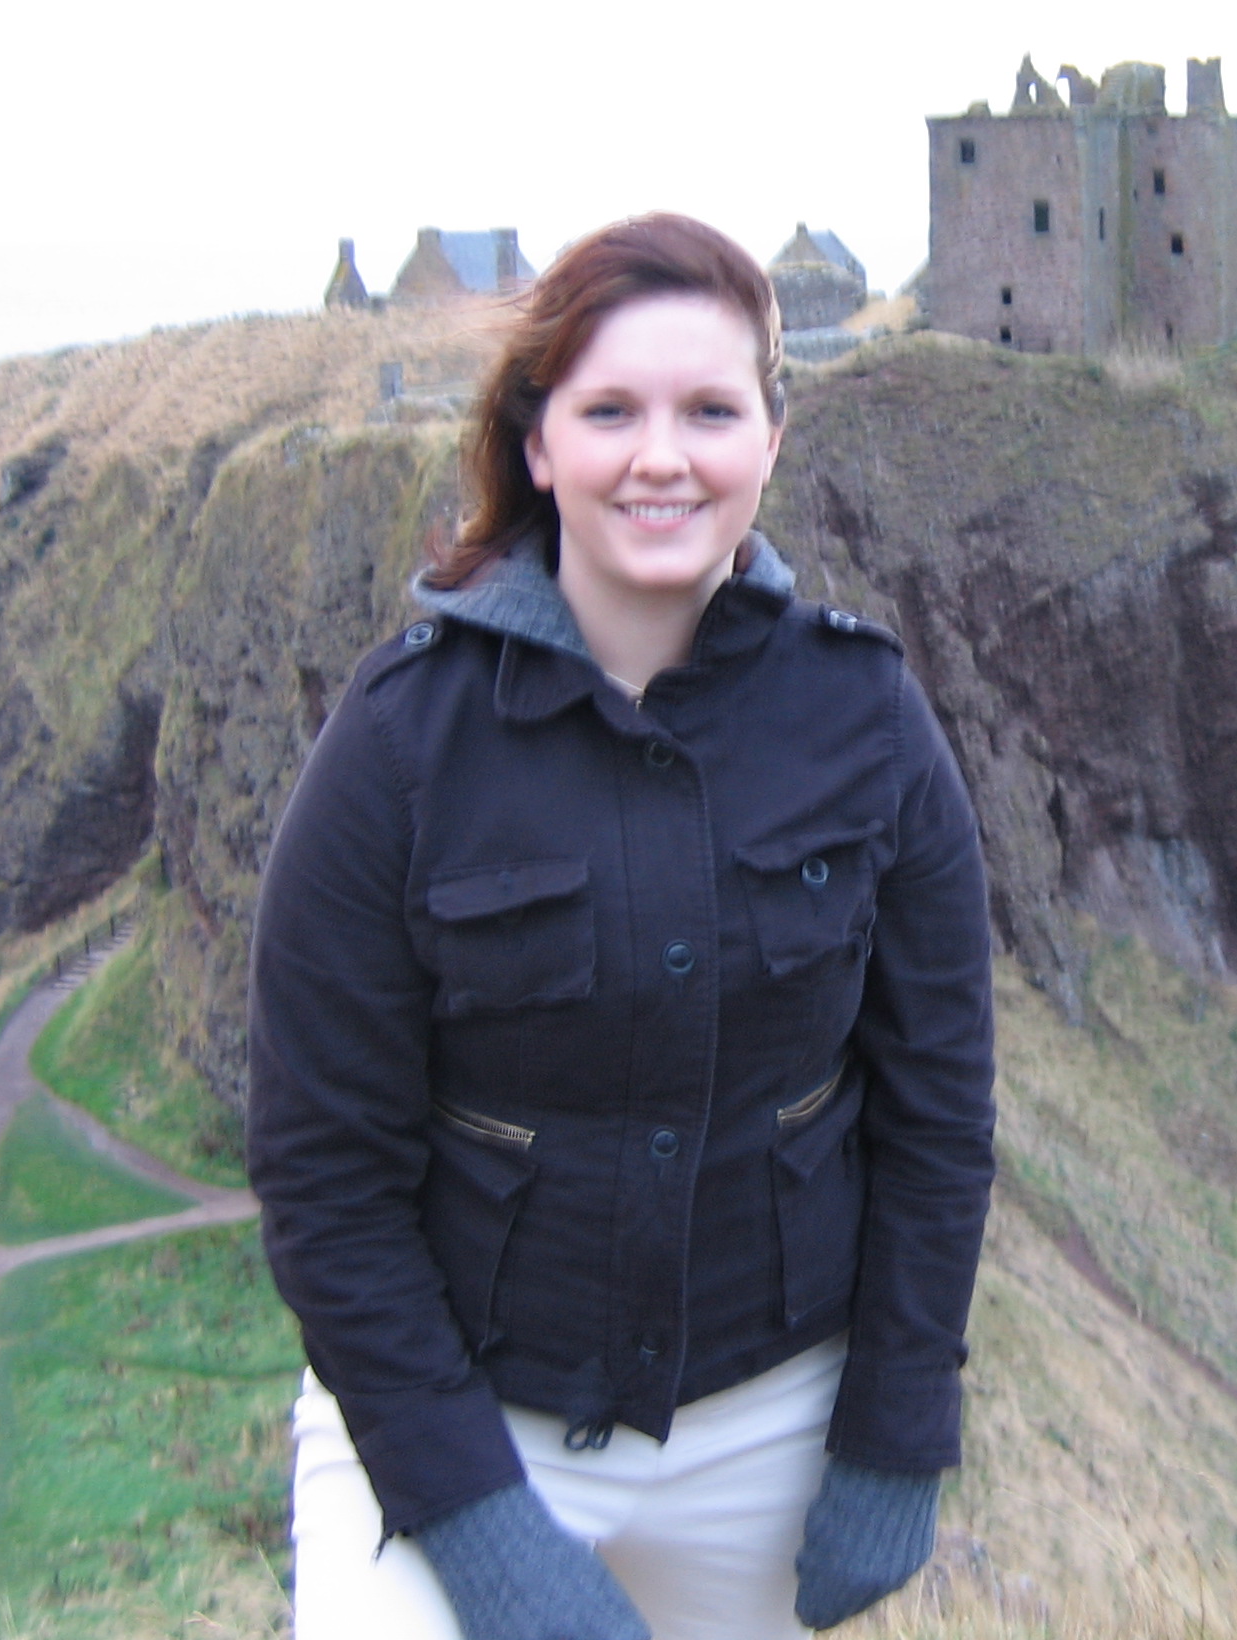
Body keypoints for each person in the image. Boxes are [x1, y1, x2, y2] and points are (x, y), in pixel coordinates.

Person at [247, 212, 997, 1640]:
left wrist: (899, 1435)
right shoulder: (400, 747)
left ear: (770, 440)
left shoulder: (868, 721)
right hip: (456, 1419)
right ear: (540, 446)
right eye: (611, 412)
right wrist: (485, 1541)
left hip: (771, 1413)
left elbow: (939, 1108)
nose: (664, 457)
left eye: (710, 410)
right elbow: (322, 1173)